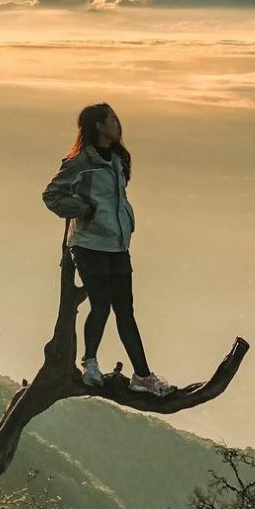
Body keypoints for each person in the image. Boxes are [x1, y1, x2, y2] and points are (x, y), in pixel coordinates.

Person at [42, 103, 175, 397]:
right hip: (89, 244)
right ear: (99, 126)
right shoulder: (79, 162)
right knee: (101, 304)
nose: (118, 123)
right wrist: (83, 209)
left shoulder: (116, 159)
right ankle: (90, 363)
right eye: (112, 119)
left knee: (125, 311)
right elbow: (51, 195)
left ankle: (143, 376)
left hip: (116, 245)